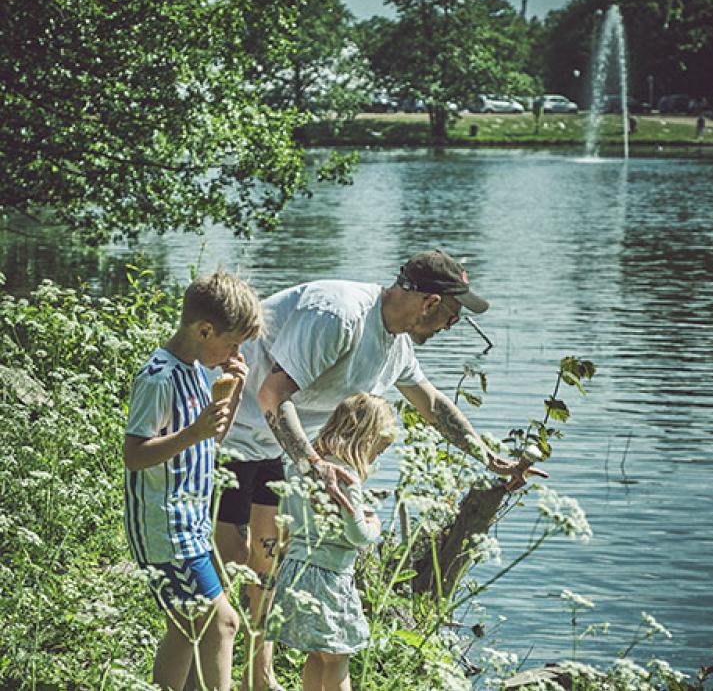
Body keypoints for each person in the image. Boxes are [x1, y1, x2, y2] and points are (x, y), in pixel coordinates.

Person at [214, 249, 547, 691]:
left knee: (268, 561)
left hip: (280, 443)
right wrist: (314, 464)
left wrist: (487, 456)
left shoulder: (396, 346)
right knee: (232, 559)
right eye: (453, 315)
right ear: (430, 303)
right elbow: (273, 395)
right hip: (231, 429)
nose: (452, 326)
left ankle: (259, 679)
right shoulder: (340, 316)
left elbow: (431, 403)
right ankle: (205, 668)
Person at [124, 271, 263, 691]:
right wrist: (193, 433)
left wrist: (235, 388)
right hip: (165, 528)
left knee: (186, 629)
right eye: (232, 342)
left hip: (191, 525)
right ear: (204, 330)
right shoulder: (159, 377)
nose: (234, 352)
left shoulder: (196, 372)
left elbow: (210, 438)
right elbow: (134, 454)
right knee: (223, 622)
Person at [270, 393, 395, 691]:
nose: (376, 457)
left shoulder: (302, 469)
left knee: (316, 654)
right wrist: (373, 525)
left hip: (297, 571)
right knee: (338, 658)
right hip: (330, 580)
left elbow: (287, 514)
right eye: (378, 448)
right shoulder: (346, 477)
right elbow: (356, 535)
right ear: (364, 439)